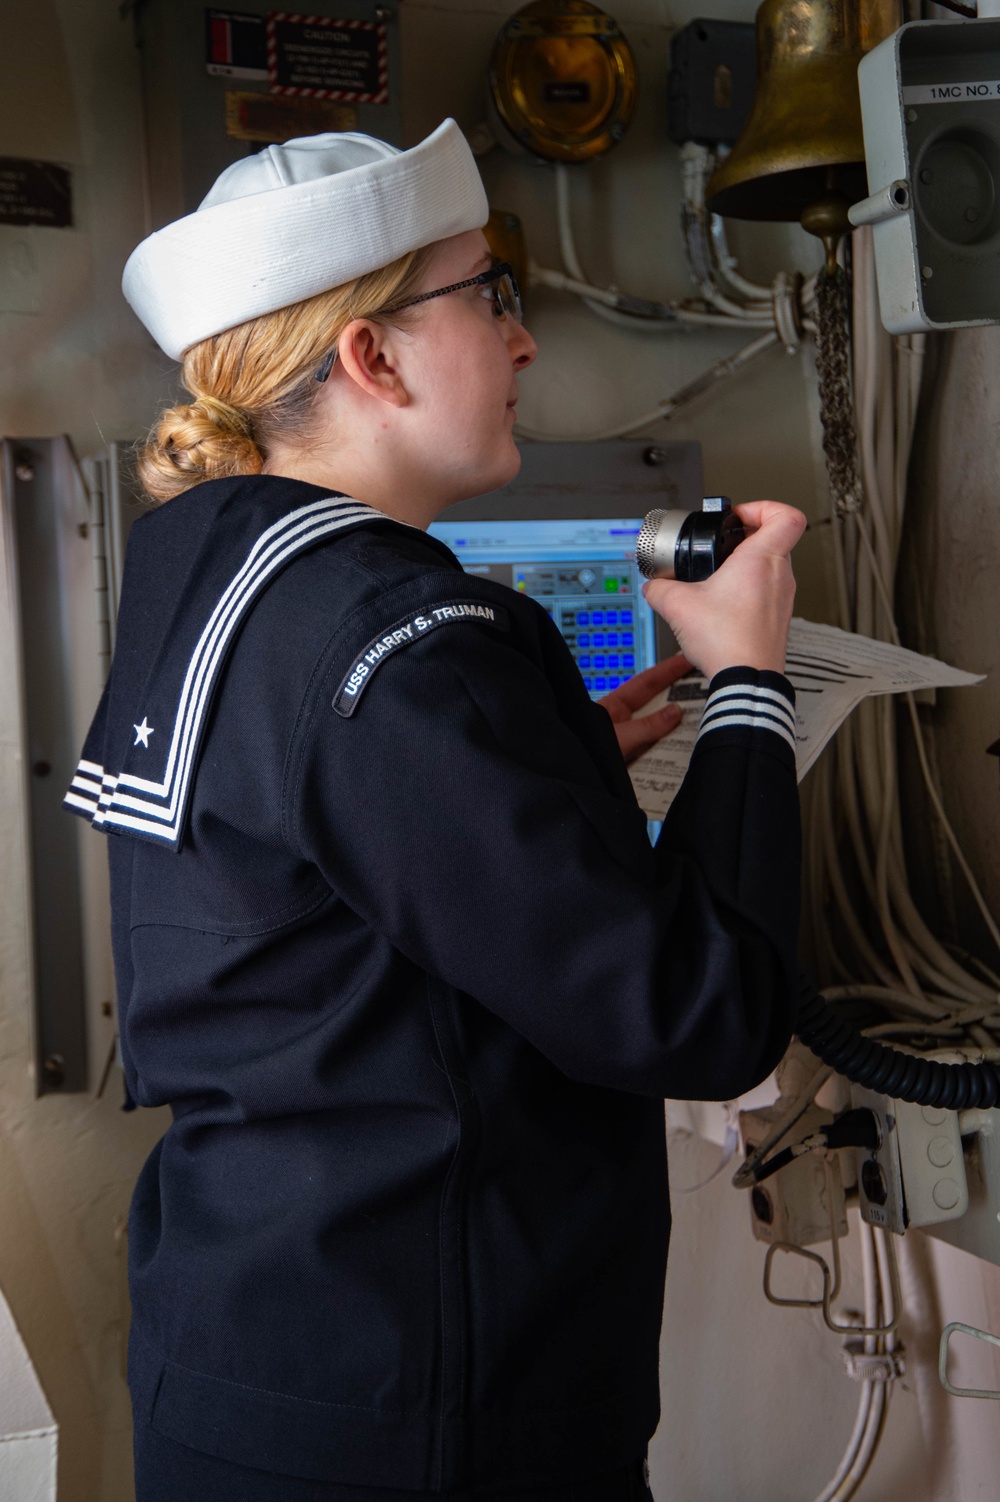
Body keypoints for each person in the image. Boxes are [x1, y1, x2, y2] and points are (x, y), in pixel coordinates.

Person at [64, 120, 806, 1502]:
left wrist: (538, 760)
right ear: (373, 354)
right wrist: (748, 674)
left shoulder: (209, 582)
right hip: (422, 1425)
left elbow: (317, 879)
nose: (523, 343)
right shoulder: (408, 641)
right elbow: (701, 1014)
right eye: (492, 296)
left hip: (246, 1378)